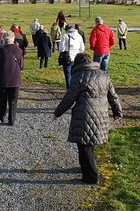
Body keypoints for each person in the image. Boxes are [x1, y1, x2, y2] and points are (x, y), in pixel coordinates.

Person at [52, 53, 123, 184]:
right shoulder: (104, 75)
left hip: (84, 115)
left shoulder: (78, 76)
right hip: (100, 115)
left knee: (84, 146)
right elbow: (113, 96)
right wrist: (117, 112)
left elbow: (69, 98)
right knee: (90, 145)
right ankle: (85, 168)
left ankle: (91, 177)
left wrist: (57, 112)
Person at [0, 30, 24, 125]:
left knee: (2, 99)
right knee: (13, 101)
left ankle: (2, 117)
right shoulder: (19, 50)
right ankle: (12, 120)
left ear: (4, 39)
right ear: (13, 38)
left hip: (2, 78)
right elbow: (22, 65)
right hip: (15, 79)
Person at [59, 25, 85, 89]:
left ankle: (69, 89)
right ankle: (76, 88)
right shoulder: (79, 36)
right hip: (77, 58)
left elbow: (61, 49)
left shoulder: (65, 36)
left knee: (68, 74)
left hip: (68, 57)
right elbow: (82, 48)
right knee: (75, 74)